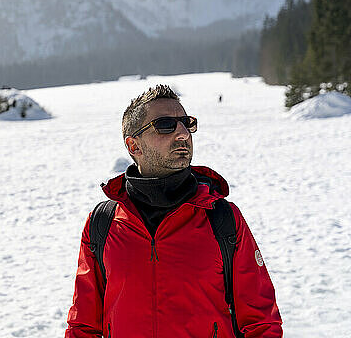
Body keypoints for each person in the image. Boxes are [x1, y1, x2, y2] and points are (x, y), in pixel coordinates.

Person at [65, 84, 282, 337]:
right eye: (166, 125)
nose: (183, 134)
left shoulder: (222, 218)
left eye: (186, 123)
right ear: (134, 146)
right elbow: (83, 325)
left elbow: (261, 322)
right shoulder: (103, 223)